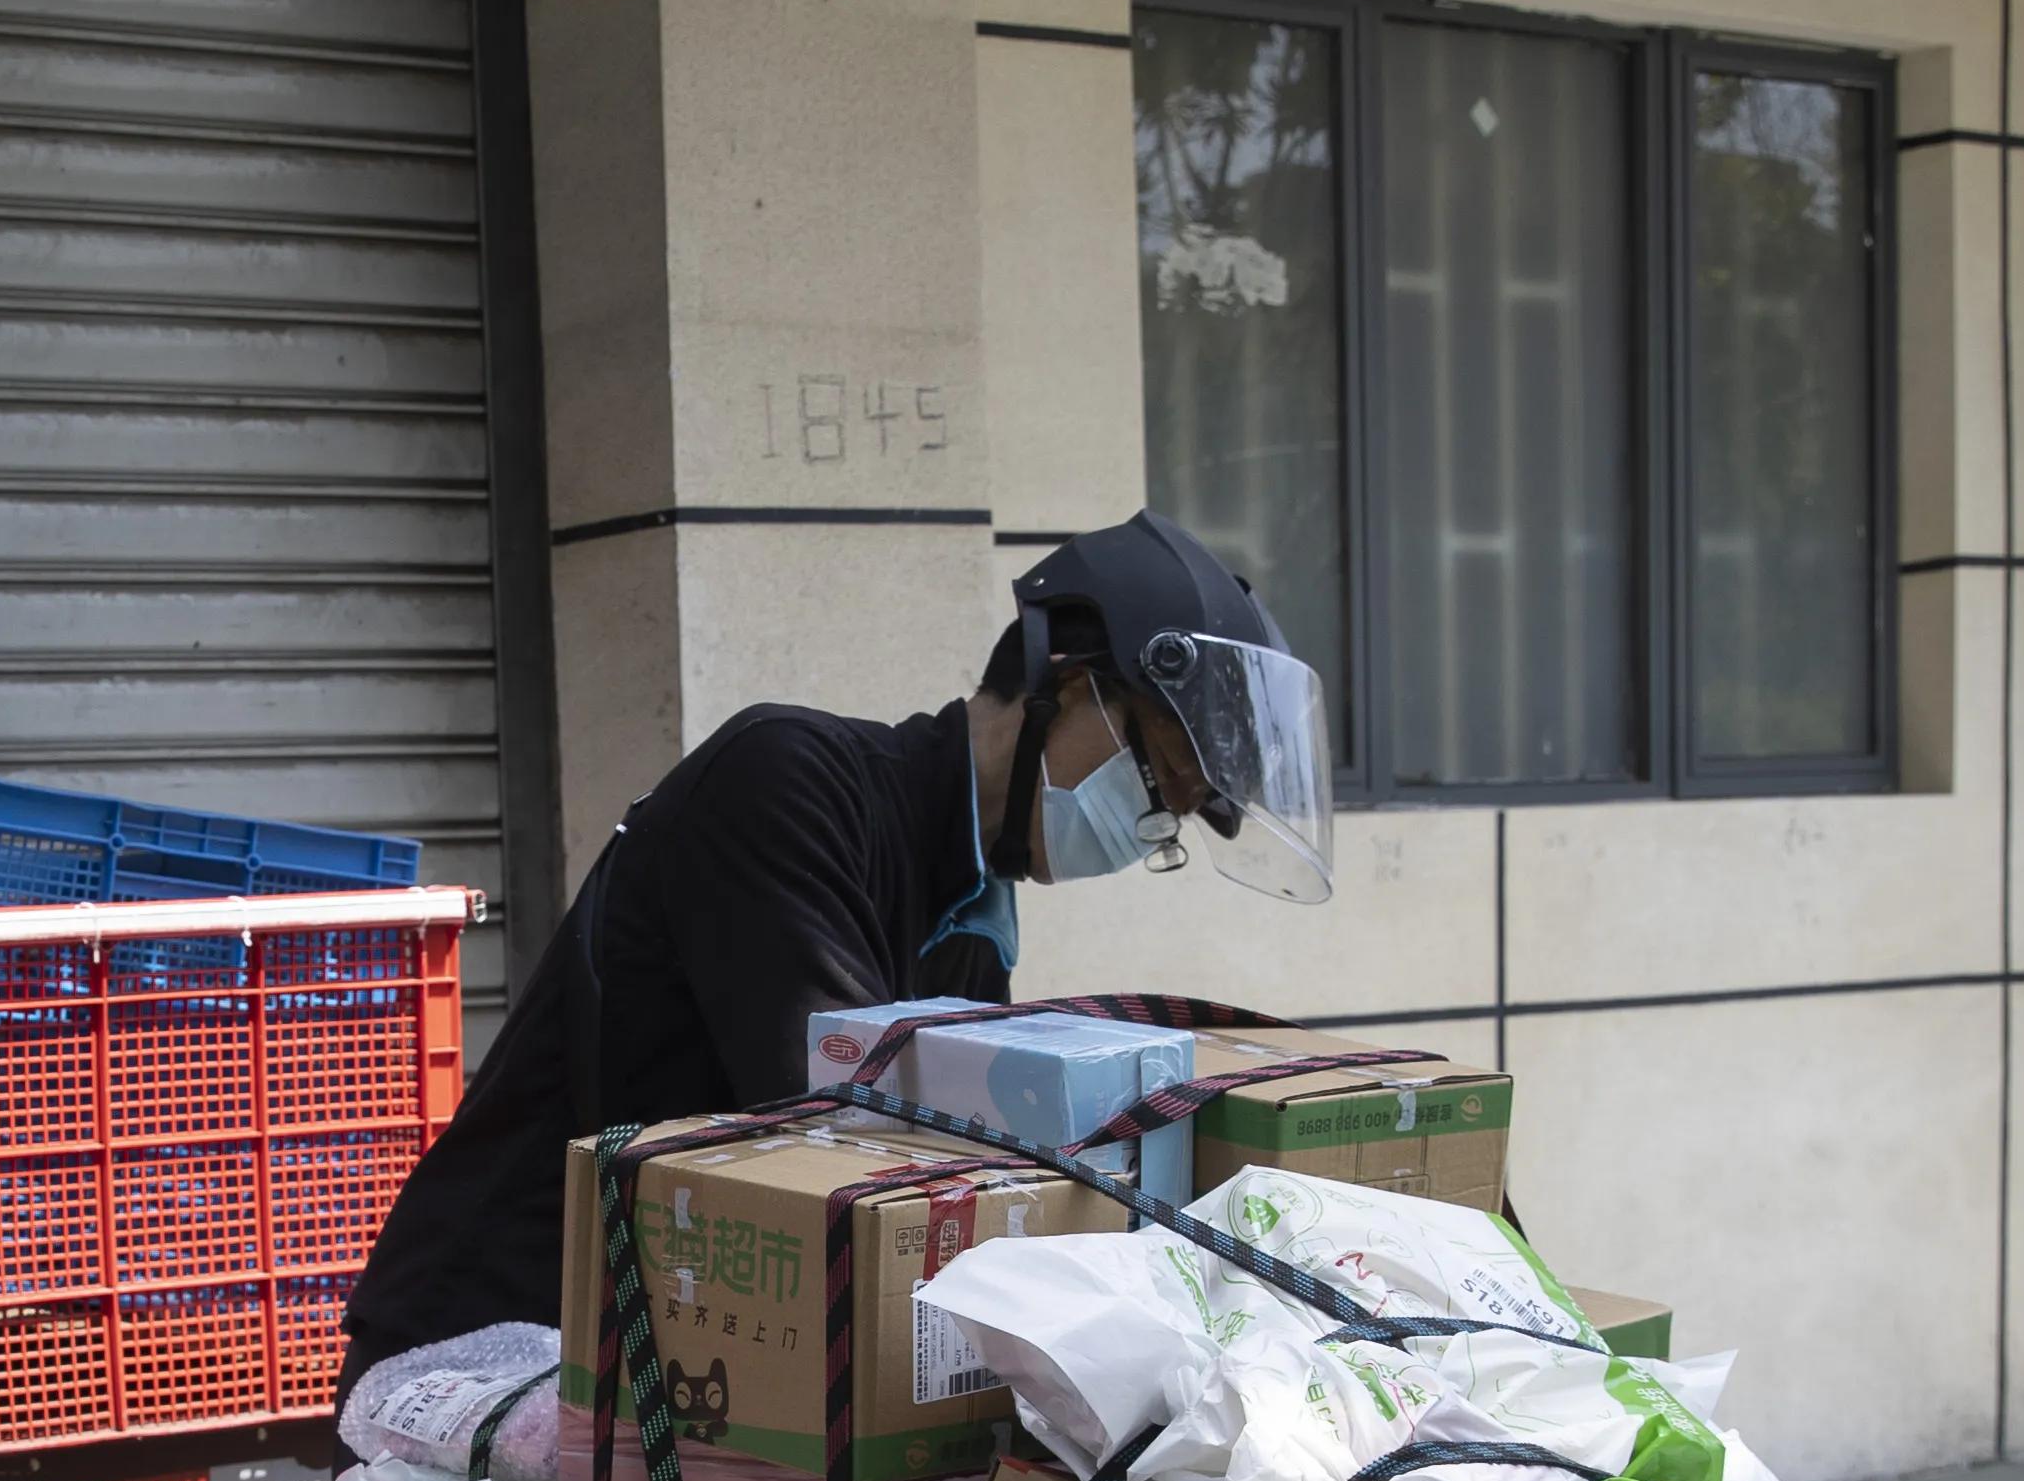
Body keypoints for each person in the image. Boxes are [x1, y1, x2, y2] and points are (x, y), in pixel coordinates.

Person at [338, 511, 1337, 1371]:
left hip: (647, 1366)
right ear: (1069, 688)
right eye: (1157, 780)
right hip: (487, 1348)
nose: (1142, 823)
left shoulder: (974, 926)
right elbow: (843, 1145)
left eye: (1166, 818)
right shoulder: (790, 784)